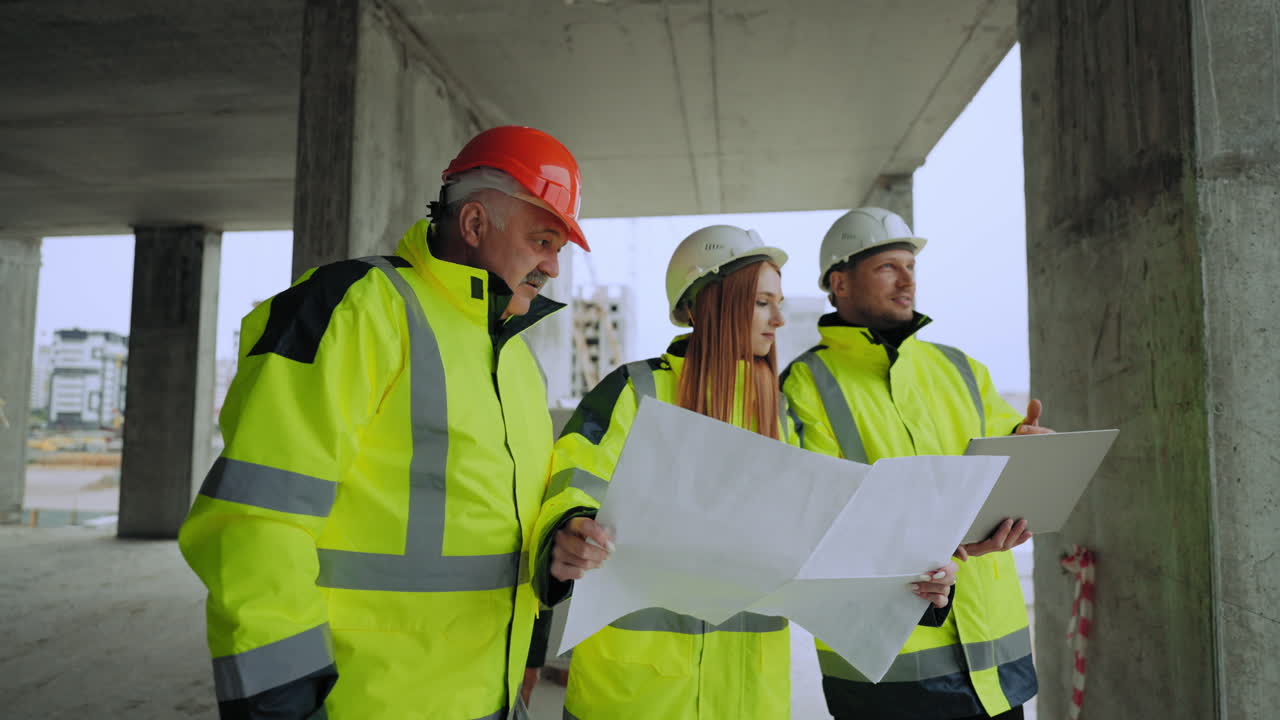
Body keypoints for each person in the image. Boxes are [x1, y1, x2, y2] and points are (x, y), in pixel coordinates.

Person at [178, 125, 588, 719]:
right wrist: (279, 705)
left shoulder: (517, 362)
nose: (553, 265)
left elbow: (506, 526)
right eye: (543, 239)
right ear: (474, 224)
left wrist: (558, 549)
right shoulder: (357, 307)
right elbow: (258, 521)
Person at [531, 225, 959, 719]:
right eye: (761, 303)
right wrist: (569, 528)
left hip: (750, 697)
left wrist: (911, 581)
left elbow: (833, 529)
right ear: (704, 304)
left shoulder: (779, 414)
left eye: (777, 303)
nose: (778, 319)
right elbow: (574, 478)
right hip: (635, 695)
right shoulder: (636, 391)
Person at [782, 207, 1052, 720]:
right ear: (839, 282)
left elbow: (1006, 463)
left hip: (995, 671)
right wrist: (943, 544)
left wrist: (1032, 450)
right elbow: (820, 518)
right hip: (888, 676)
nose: (908, 280)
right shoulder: (804, 385)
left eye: (911, 266)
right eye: (889, 267)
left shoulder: (960, 368)